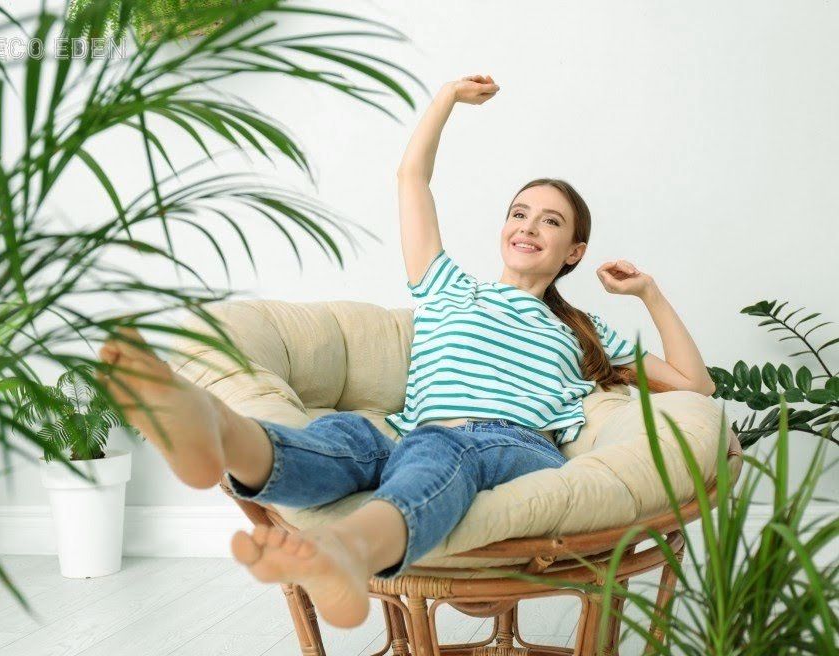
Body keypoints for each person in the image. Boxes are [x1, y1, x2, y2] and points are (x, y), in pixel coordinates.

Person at [97, 74, 716, 630]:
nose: (528, 226)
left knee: (436, 444)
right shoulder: (448, 288)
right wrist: (445, 99)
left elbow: (696, 383)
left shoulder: (585, 331)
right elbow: (411, 179)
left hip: (516, 447)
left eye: (550, 221)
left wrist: (648, 293)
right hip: (410, 436)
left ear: (574, 251)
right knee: (351, 437)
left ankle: (348, 555)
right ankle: (218, 431)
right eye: (518, 212)